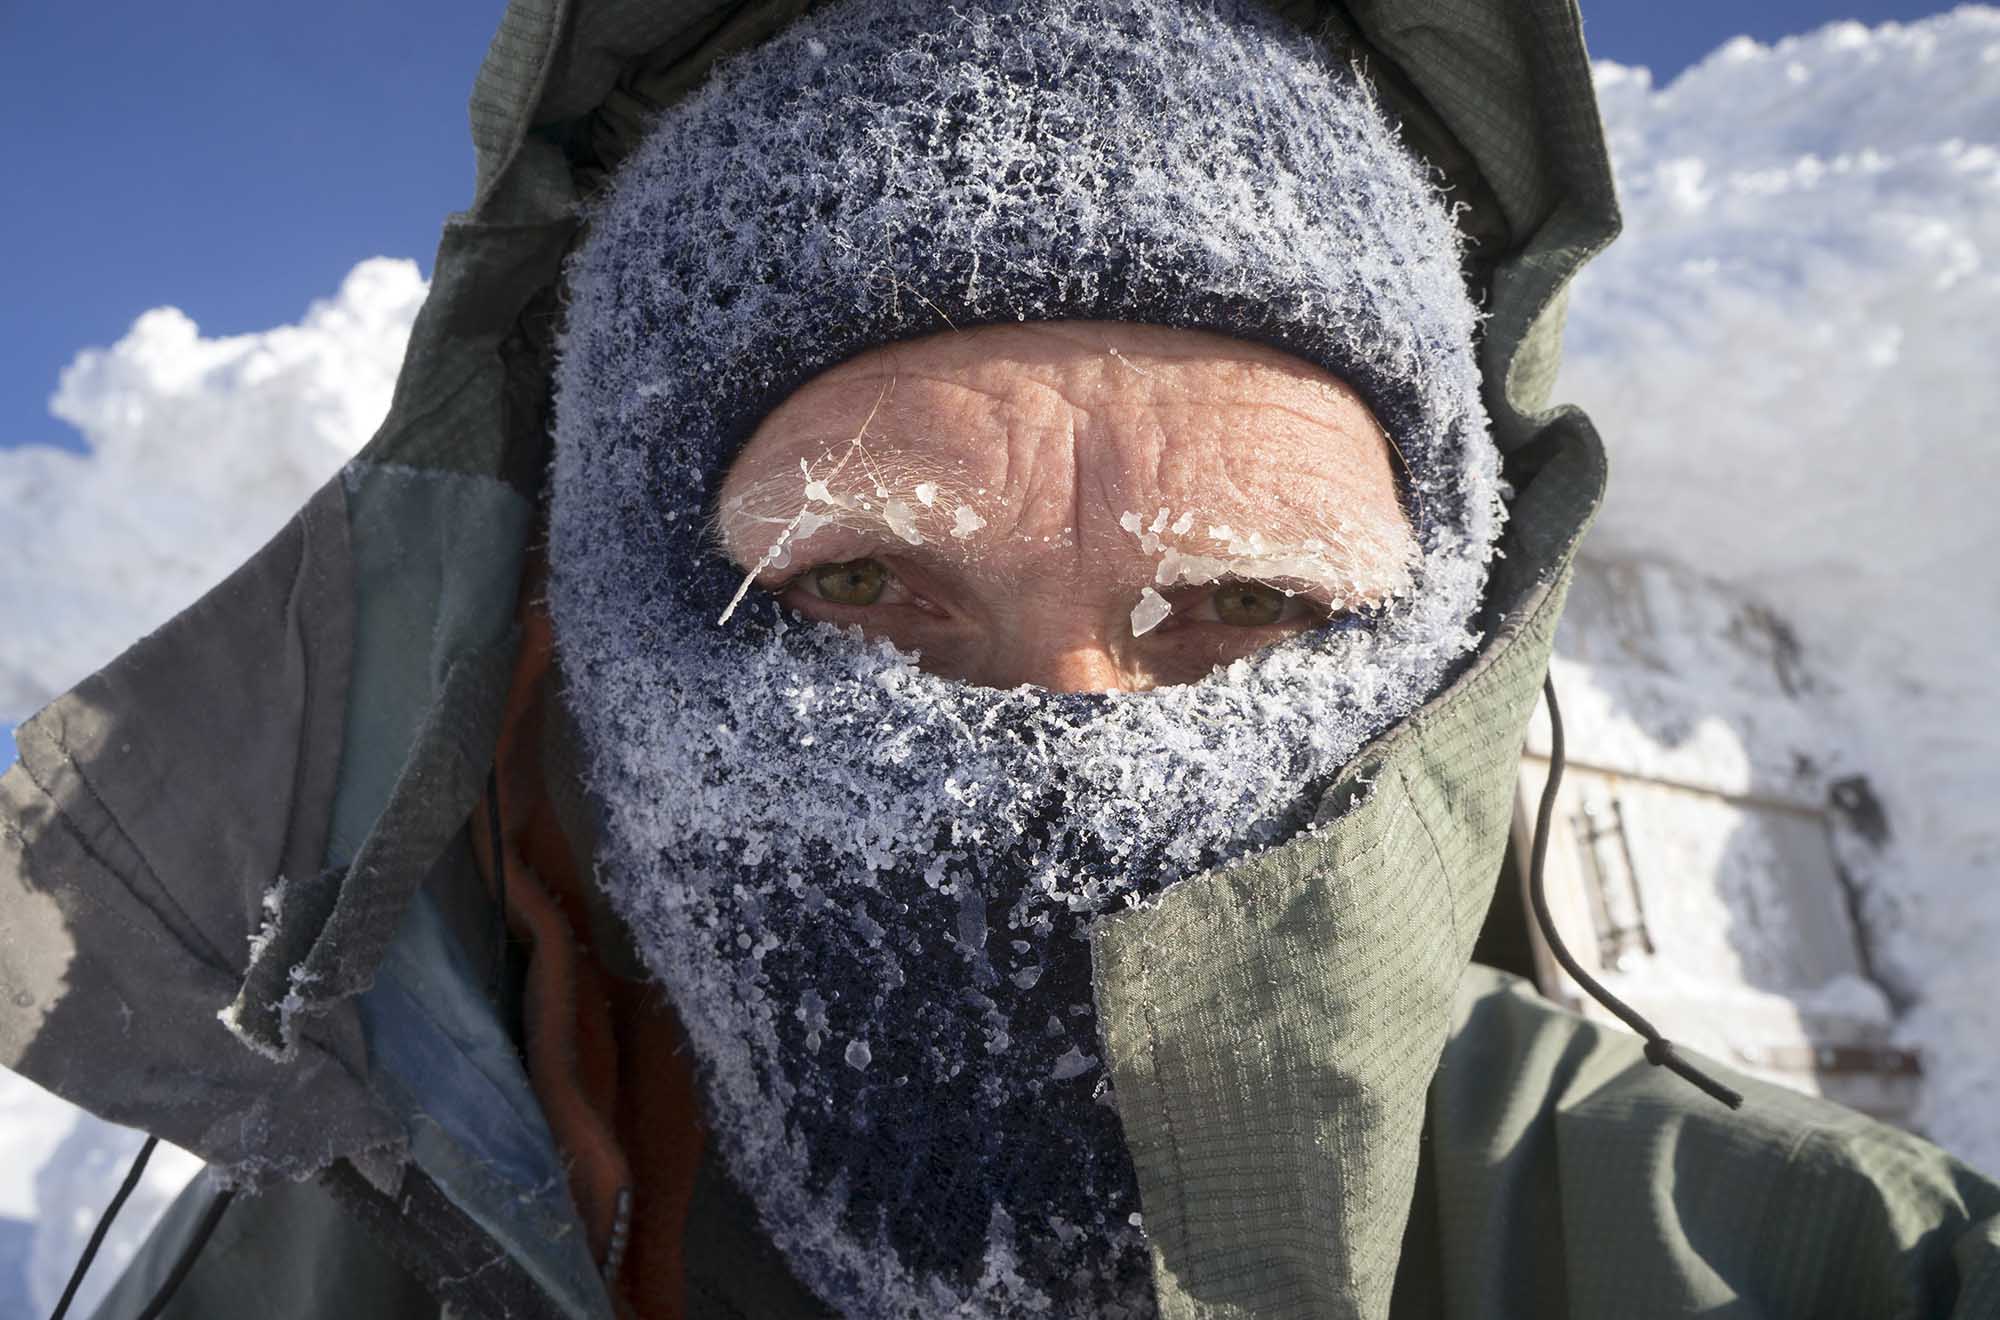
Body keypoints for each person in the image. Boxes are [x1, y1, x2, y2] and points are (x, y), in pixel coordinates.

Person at [2, 1, 1994, 1318]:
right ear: (592, 648)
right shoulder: (278, 1273)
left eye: (1252, 609)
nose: (1070, 754)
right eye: (863, 585)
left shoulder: (1808, 1265)